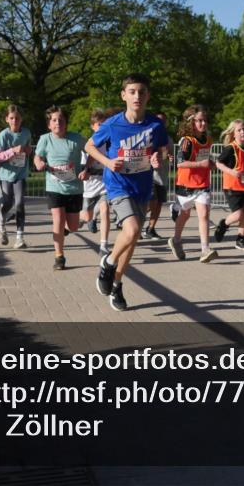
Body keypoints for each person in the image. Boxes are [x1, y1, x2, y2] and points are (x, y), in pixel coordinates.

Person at [86, 74, 168, 311]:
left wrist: (157, 157)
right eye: (132, 91)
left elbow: (163, 150)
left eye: (142, 92)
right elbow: (89, 145)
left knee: (130, 241)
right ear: (124, 95)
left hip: (142, 188)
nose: (137, 96)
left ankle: (117, 284)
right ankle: (108, 263)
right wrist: (108, 162)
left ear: (148, 95)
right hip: (118, 186)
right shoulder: (112, 124)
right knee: (131, 231)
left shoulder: (155, 125)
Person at [34, 106, 87, 271]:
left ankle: (65, 229)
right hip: (54, 186)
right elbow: (38, 156)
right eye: (54, 120)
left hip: (74, 188)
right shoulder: (45, 139)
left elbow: (92, 151)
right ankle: (59, 256)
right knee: (57, 219)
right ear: (49, 124)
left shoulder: (76, 139)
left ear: (66, 123)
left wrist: (87, 169)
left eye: (61, 120)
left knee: (74, 227)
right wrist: (39, 163)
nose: (58, 123)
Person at [168, 105, 218, 263]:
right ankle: (176, 240)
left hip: (202, 184)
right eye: (199, 121)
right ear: (191, 122)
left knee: (204, 214)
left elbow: (203, 160)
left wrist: (212, 164)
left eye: (205, 120)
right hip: (185, 185)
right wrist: (201, 164)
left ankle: (205, 250)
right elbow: (180, 164)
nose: (203, 123)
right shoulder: (187, 141)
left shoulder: (208, 140)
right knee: (185, 215)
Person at [213, 119, 244, 251]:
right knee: (239, 214)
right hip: (232, 187)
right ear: (233, 133)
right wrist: (232, 172)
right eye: (239, 130)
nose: (242, 132)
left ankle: (241, 239)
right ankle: (224, 224)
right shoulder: (230, 148)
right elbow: (218, 163)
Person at [0, 104, 33, 249]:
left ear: (21, 119)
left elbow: (29, 149)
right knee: (7, 203)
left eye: (17, 118)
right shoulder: (4, 135)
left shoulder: (26, 133)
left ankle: (19, 237)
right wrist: (12, 151)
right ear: (7, 119)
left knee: (20, 204)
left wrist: (28, 150)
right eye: (11, 118)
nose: (14, 120)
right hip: (6, 174)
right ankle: (1, 224)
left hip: (21, 174)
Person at [80, 109, 112, 253]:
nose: (102, 128)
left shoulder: (110, 144)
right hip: (90, 188)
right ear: (92, 126)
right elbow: (84, 170)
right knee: (85, 216)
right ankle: (71, 225)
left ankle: (103, 246)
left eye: (104, 124)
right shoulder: (88, 145)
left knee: (105, 210)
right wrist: (86, 171)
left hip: (105, 186)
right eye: (99, 124)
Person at [144, 111, 172, 243]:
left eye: (163, 121)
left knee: (159, 203)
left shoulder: (168, 139)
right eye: (158, 120)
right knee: (151, 202)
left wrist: (171, 157)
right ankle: (133, 222)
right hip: (150, 175)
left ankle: (151, 228)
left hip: (162, 175)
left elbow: (169, 155)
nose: (161, 123)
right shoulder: (148, 137)